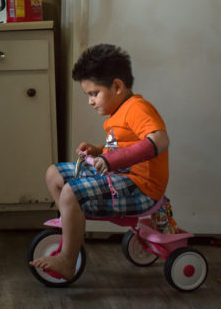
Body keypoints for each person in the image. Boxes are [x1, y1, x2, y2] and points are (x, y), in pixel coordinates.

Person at [31, 43, 170, 280]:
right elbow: (121, 145)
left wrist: (113, 158)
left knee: (70, 192)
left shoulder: (138, 108)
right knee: (54, 174)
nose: (90, 101)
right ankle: (71, 229)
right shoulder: (118, 112)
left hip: (141, 187)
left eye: (94, 94)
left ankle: (67, 259)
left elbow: (160, 140)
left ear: (117, 86)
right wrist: (98, 150)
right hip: (120, 177)